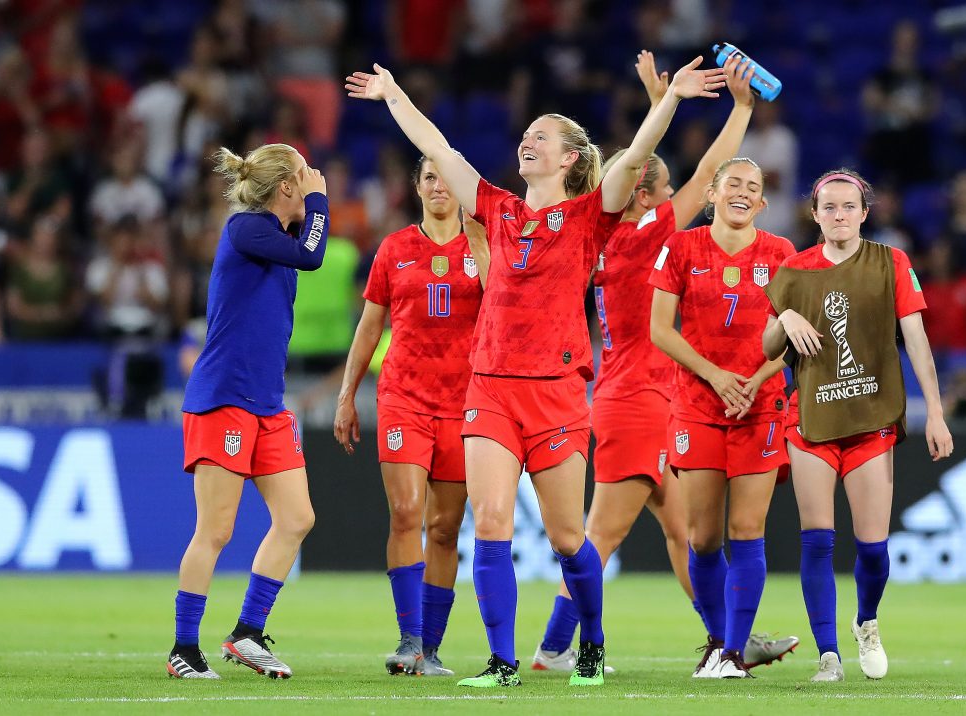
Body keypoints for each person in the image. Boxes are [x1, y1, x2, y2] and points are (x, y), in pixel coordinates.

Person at [347, 54, 726, 687]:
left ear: (570, 158)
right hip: (491, 387)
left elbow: (634, 157)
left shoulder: (588, 218)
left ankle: (592, 646)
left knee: (568, 536)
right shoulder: (496, 208)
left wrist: (672, 102)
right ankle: (501, 662)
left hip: (556, 394)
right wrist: (393, 96)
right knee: (489, 522)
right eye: (526, 135)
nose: (527, 141)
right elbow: (437, 147)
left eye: (541, 137)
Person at [532, 51, 796, 675]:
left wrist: (659, 105)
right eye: (658, 188)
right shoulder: (643, 235)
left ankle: (726, 640)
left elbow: (661, 169)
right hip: (640, 398)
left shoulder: (610, 236)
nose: (668, 195)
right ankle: (551, 647)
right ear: (639, 197)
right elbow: (709, 172)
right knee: (601, 535)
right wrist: (741, 109)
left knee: (687, 536)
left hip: (646, 394)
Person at [762, 168, 953, 682]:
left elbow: (916, 340)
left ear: (865, 213)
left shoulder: (891, 263)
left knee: (873, 550)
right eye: (829, 207)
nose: (839, 215)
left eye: (849, 207)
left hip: (871, 421)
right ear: (815, 213)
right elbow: (766, 347)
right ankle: (828, 653)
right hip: (811, 420)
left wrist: (934, 410)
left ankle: (866, 621)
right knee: (818, 540)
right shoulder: (793, 271)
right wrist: (785, 320)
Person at [167, 143, 328, 680]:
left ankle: (247, 633)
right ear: (287, 187)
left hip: (265, 402)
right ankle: (184, 649)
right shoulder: (246, 228)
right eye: (304, 177)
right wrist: (322, 202)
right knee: (215, 529)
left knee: (297, 518)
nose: (311, 183)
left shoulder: (275, 238)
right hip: (224, 398)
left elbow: (303, 252)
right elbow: (313, 255)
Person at [334, 157, 484, 677]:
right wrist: (347, 394)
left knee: (445, 528)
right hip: (404, 398)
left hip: (465, 404)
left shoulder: (483, 247)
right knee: (404, 512)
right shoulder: (394, 249)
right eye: (428, 178)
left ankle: (432, 650)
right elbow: (370, 326)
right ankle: (408, 639)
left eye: (447, 178)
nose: (439, 186)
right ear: (417, 188)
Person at [649, 157, 796, 678]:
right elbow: (660, 330)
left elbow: (795, 338)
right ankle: (717, 642)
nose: (742, 192)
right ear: (711, 192)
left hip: (761, 406)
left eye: (752, 188)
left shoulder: (782, 255)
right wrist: (716, 377)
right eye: (732, 183)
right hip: (697, 404)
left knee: (746, 527)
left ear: (762, 203)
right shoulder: (682, 247)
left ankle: (733, 654)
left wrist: (754, 381)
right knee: (703, 536)